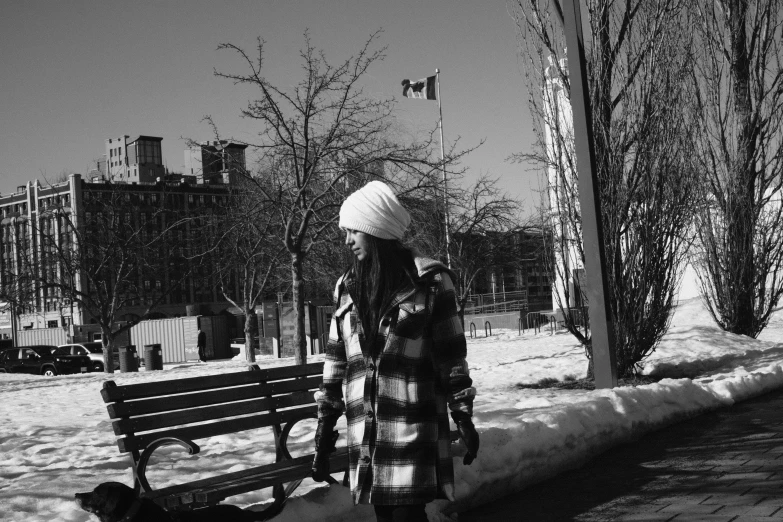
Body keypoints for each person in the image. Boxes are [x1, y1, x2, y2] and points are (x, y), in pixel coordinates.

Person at [312, 181, 479, 522]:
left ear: (375, 229)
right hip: (368, 430)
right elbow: (336, 359)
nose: (347, 240)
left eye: (353, 231)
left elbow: (451, 355)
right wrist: (325, 423)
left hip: (411, 425)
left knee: (406, 516)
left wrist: (462, 414)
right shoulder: (347, 286)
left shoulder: (431, 281)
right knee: (386, 517)